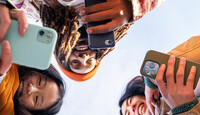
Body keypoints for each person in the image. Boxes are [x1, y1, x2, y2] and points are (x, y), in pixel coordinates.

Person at [32, 0, 165, 81]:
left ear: (60, 52)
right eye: (90, 61)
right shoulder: (115, 7)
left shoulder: (33, 10)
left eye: (74, 62)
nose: (83, 57)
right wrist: (133, 6)